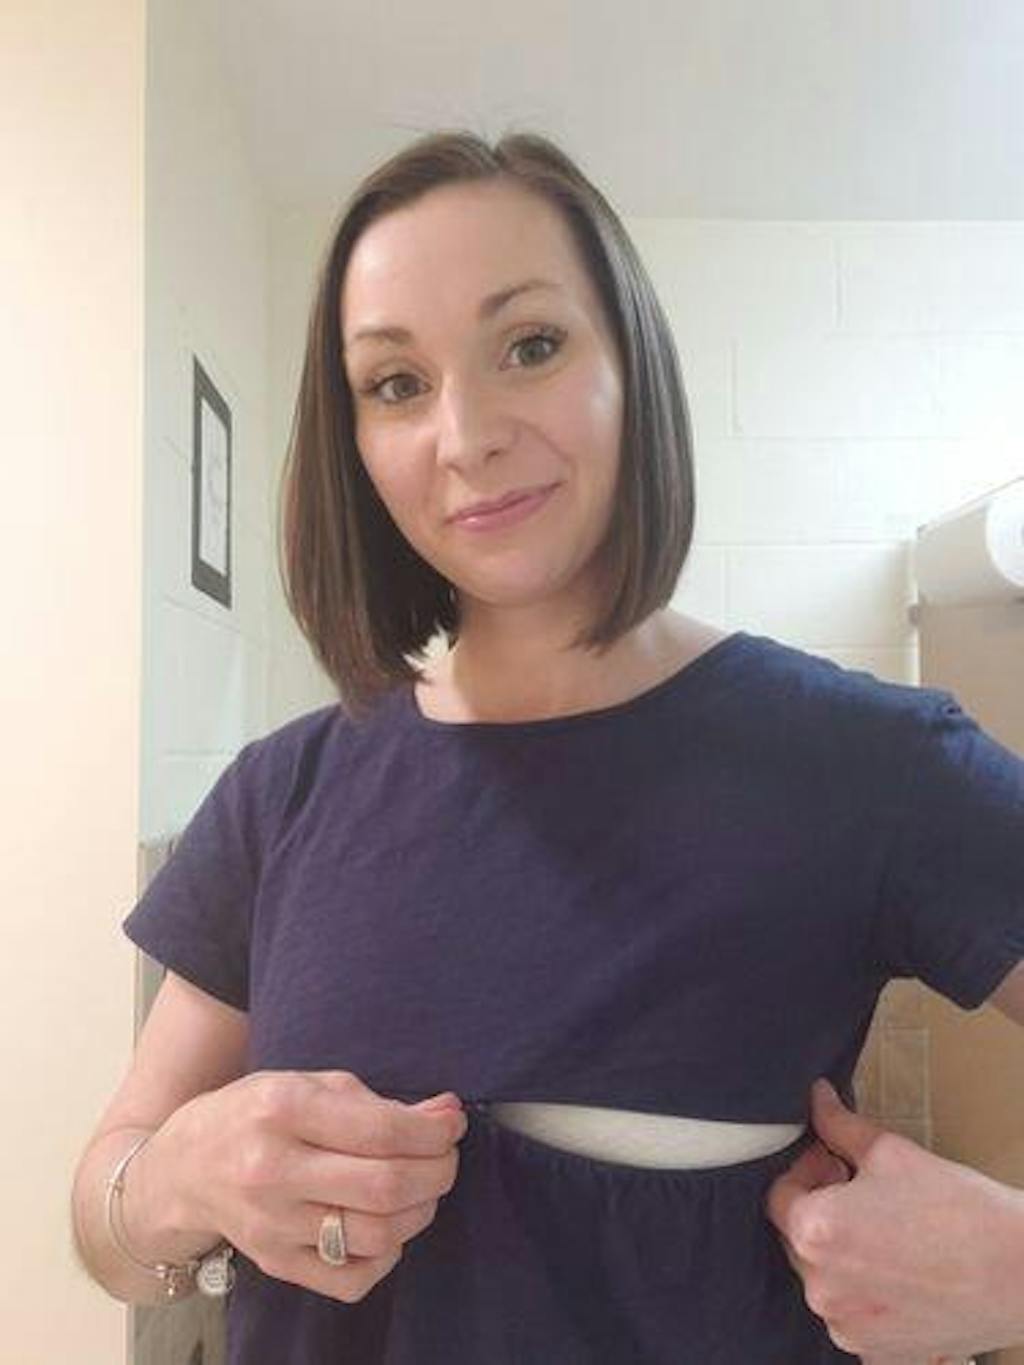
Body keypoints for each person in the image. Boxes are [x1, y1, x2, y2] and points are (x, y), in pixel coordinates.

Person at [70, 128, 1024, 1363]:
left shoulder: (869, 765)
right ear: (355, 444)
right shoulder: (280, 793)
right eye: (395, 383)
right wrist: (171, 1182)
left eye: (528, 345)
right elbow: (105, 1222)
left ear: (630, 363)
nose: (465, 435)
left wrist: (1009, 1274)